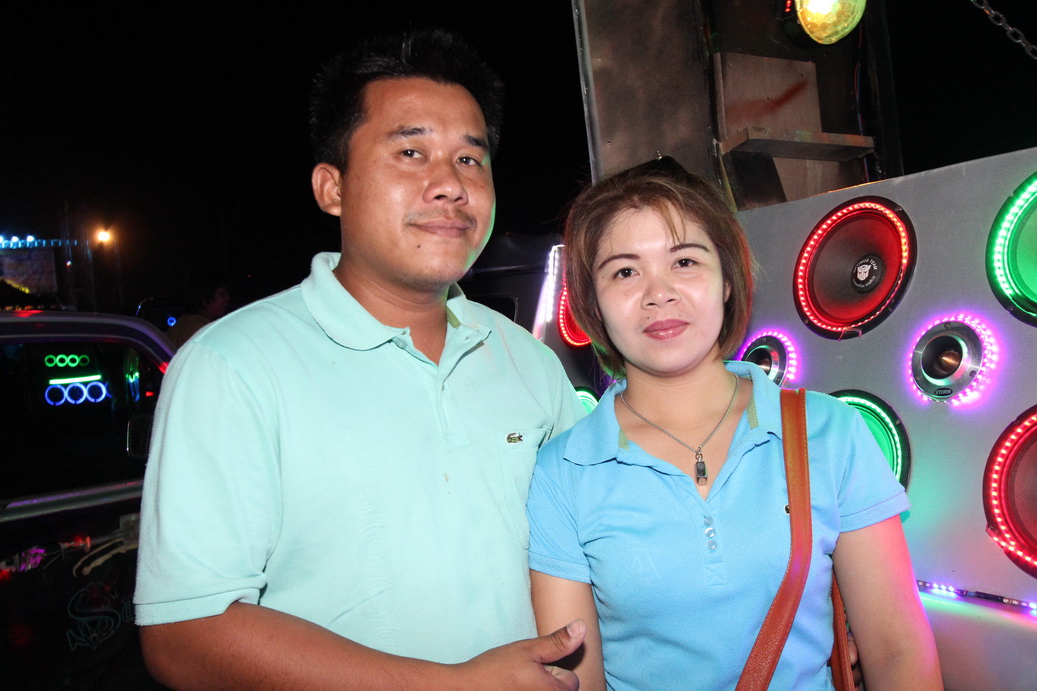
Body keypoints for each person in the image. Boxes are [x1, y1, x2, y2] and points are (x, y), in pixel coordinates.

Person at [134, 29, 587, 689]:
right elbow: (184, 635)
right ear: (332, 187)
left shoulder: (528, 362)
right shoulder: (234, 365)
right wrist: (452, 684)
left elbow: (579, 560)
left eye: (470, 159)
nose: (450, 185)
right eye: (410, 152)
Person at [526, 157, 942, 690]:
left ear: (727, 280)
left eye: (685, 261)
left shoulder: (829, 432)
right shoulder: (562, 472)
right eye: (625, 271)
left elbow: (898, 650)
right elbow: (576, 680)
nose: (659, 293)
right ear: (592, 303)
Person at [165, 269, 232, 348]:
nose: (228, 298)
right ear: (205, 297)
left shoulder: (179, 325)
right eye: (222, 294)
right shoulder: (203, 331)